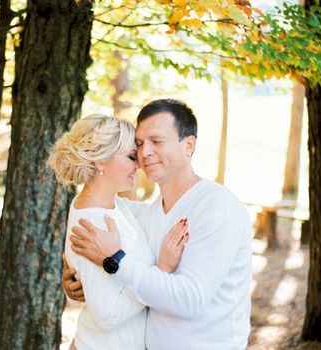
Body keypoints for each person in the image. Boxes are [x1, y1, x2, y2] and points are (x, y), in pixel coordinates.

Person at [65, 99, 253, 350]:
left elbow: (190, 299)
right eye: (140, 145)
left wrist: (116, 260)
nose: (144, 154)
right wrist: (79, 279)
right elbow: (95, 213)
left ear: (189, 145)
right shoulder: (143, 215)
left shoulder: (217, 206)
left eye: (157, 141)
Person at [48, 114, 189, 350]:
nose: (139, 165)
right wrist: (160, 271)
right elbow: (108, 317)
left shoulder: (115, 206)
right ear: (101, 161)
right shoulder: (93, 223)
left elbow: (162, 210)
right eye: (132, 157)